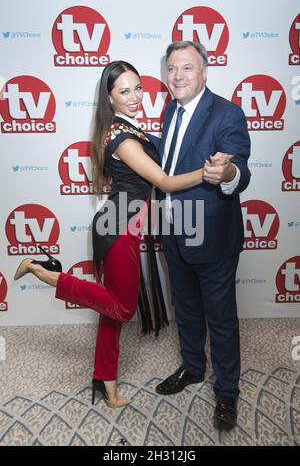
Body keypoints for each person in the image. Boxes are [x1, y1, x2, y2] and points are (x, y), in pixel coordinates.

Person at [14, 60, 231, 409]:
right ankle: (48, 273)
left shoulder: (132, 128)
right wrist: (208, 173)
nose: (134, 97)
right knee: (122, 308)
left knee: (110, 313)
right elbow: (164, 182)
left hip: (125, 225)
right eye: (124, 91)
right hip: (117, 229)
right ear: (110, 99)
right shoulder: (120, 136)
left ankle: (106, 382)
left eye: (138, 88)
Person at [155, 41, 251, 431]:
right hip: (174, 231)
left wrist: (226, 175)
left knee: (221, 319)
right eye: (172, 69)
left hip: (213, 236)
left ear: (205, 72)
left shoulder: (227, 113)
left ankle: (227, 390)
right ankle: (193, 368)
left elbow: (239, 167)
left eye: (187, 68)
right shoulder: (169, 109)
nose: (178, 76)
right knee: (187, 309)